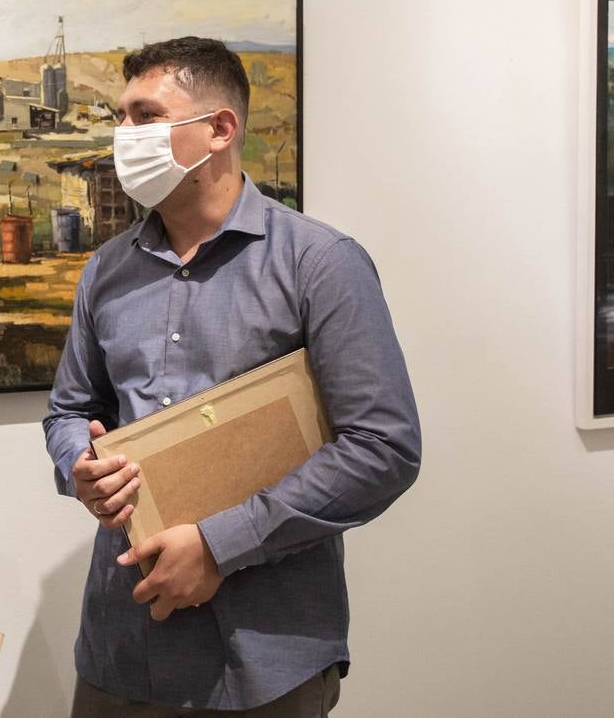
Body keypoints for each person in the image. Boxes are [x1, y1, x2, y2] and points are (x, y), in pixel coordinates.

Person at [43, 37, 421, 716]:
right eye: (120, 117)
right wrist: (80, 465)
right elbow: (69, 410)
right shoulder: (106, 270)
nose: (122, 135)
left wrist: (221, 545)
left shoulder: (320, 264)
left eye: (144, 115)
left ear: (220, 129)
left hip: (265, 658)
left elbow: (383, 448)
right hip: (120, 653)